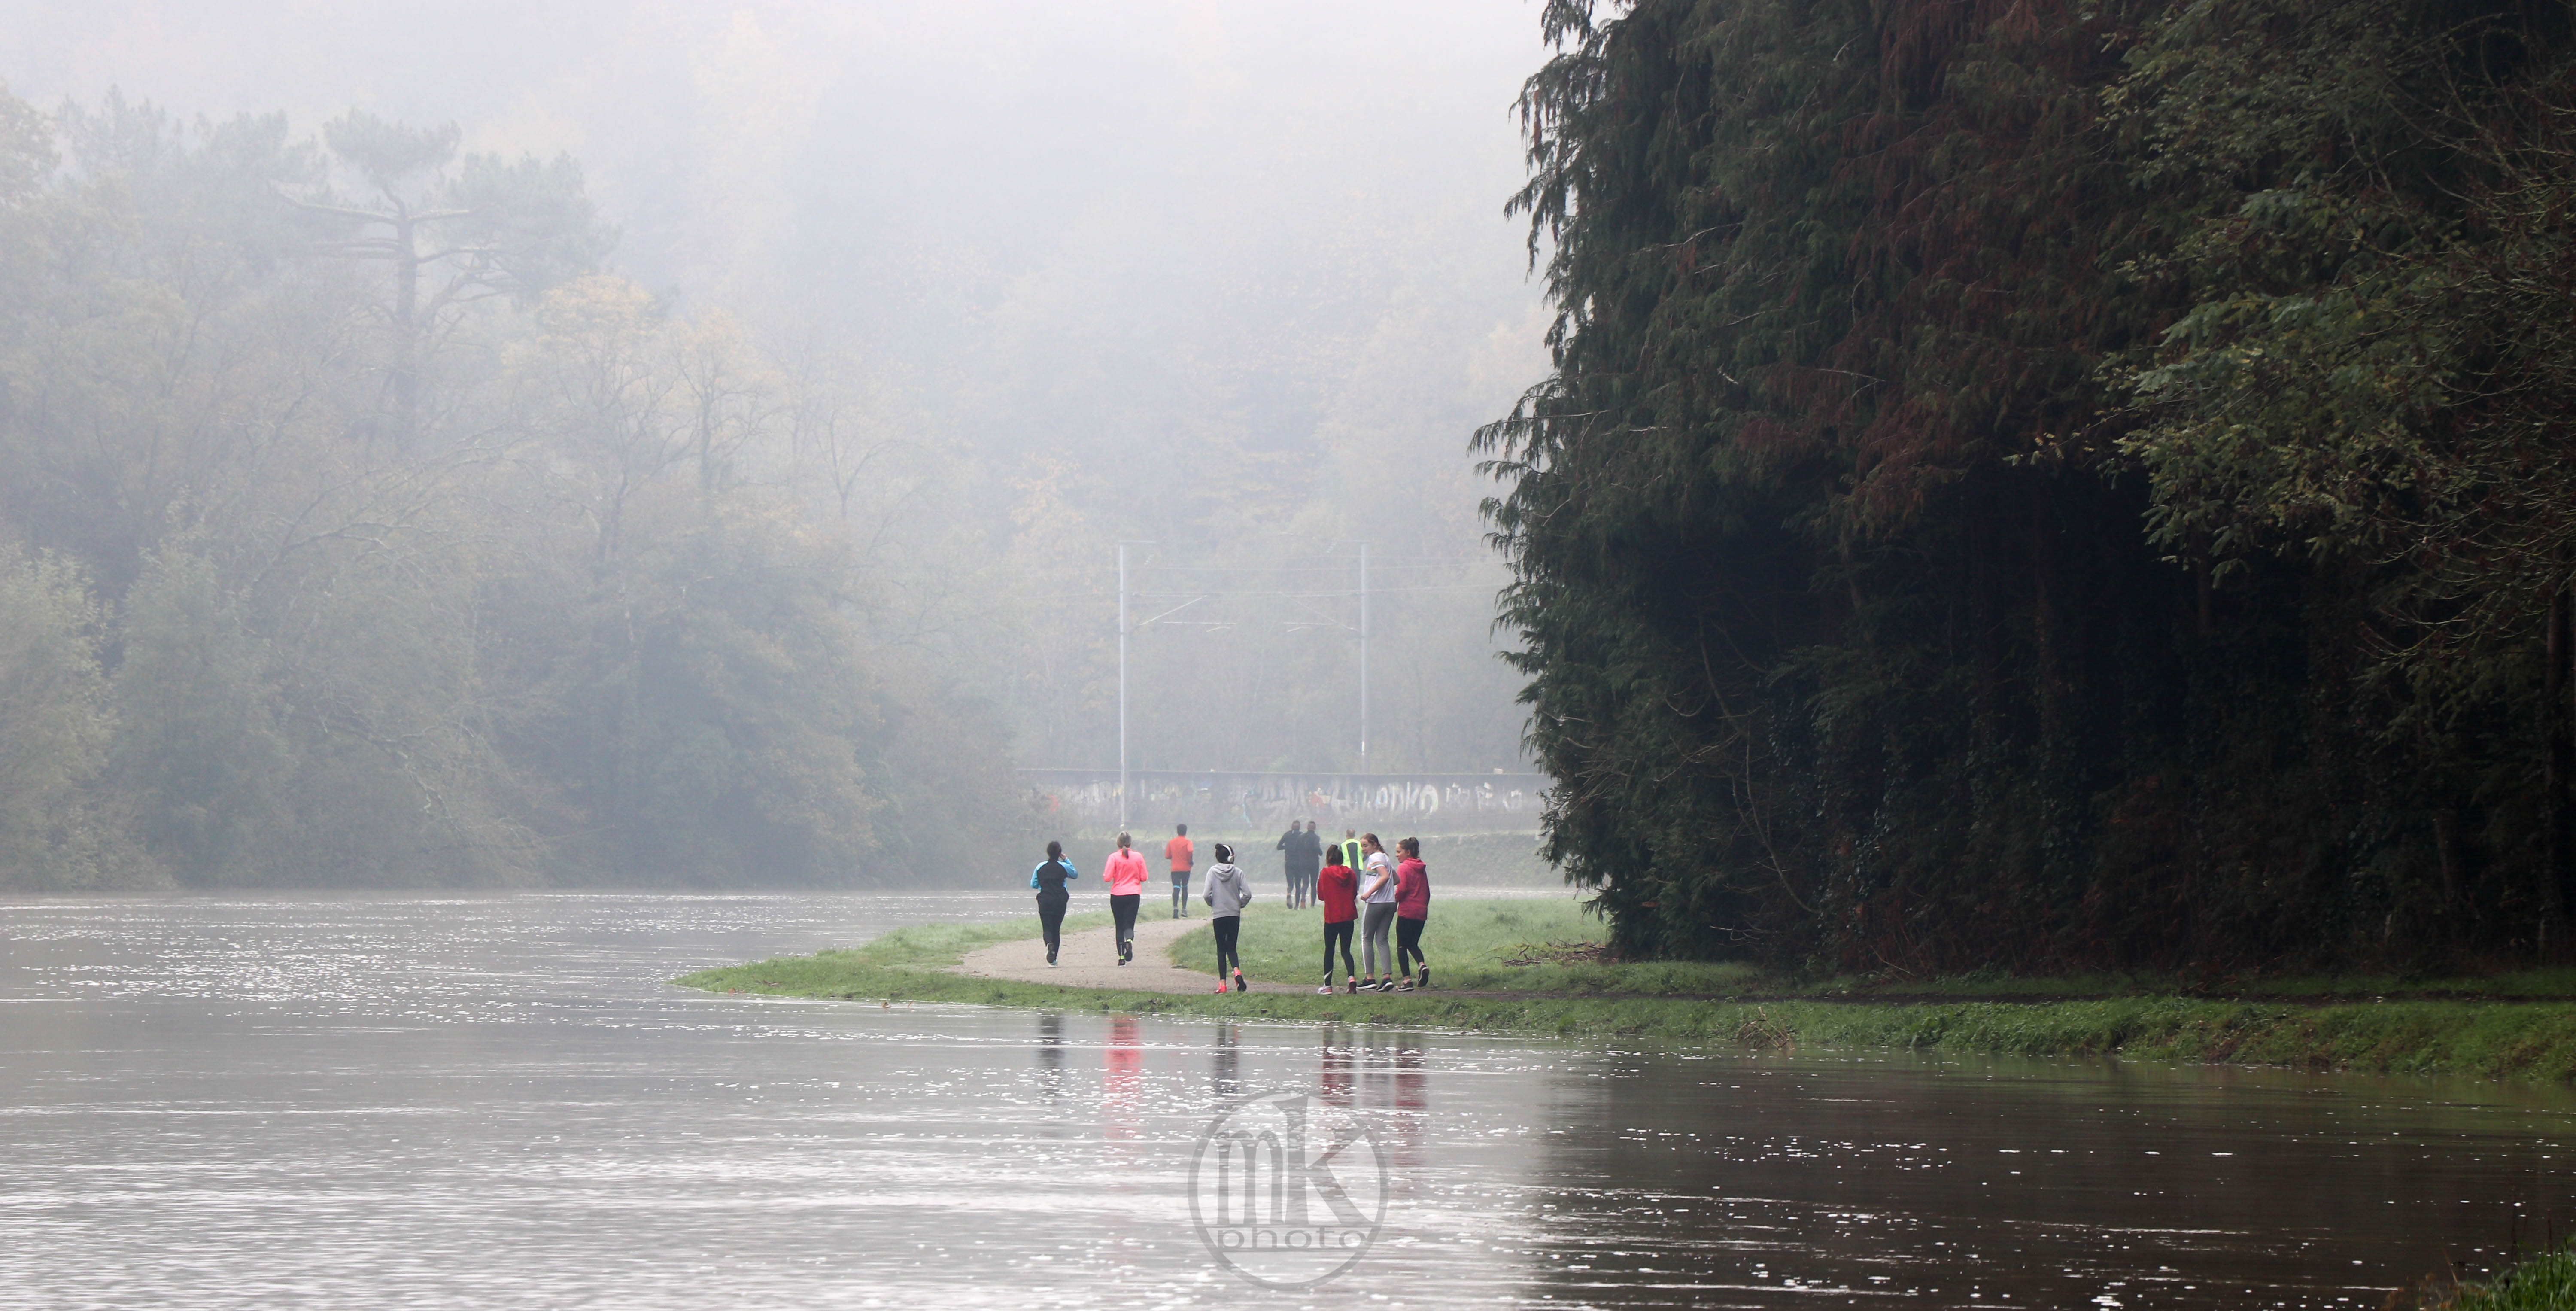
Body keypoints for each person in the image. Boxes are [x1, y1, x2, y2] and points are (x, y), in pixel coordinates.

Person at [1201, 842, 1252, 993]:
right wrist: (1239, 904)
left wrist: (1214, 904)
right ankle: (1237, 971)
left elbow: (1206, 894)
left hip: (1219, 915)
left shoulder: (1212, 872)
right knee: (1232, 947)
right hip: (1234, 914)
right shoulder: (1238, 872)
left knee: (1221, 949)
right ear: (1231, 858)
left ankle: (1223, 985)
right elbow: (1248, 894)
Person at [1356, 833, 1400, 991]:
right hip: (1390, 903)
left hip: (1376, 903)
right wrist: (1386, 890)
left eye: (1366, 845)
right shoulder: (1386, 858)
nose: (1364, 849)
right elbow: (1396, 879)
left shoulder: (1375, 858)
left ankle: (1370, 978)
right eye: (1362, 846)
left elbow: (1385, 876)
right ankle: (1387, 977)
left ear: (1375, 845)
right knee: (1382, 940)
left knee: (1367, 938)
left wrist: (1369, 893)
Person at [1315, 840, 1357, 994]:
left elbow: (1321, 896)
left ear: (1329, 859)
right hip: (1348, 916)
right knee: (1346, 950)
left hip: (1332, 917)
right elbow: (1354, 894)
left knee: (1330, 950)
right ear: (1342, 859)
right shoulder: (1351, 873)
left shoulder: (1325, 873)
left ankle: (1328, 986)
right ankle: (1352, 978)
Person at [1030, 840, 1078, 967]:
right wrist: (1067, 859)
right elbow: (1075, 874)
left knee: (1047, 929)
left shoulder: (1040, 867)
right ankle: (1054, 959)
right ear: (1059, 853)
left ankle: (1049, 945)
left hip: (1045, 901)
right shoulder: (1064, 866)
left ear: (1048, 852)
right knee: (1056, 929)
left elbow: (1033, 884)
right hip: (1060, 902)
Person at [1103, 833, 1148, 964]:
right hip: (1134, 895)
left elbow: (1107, 878)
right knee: (1129, 925)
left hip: (1117, 895)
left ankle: (1121, 958)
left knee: (1119, 926)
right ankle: (1129, 941)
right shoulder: (1138, 857)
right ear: (1130, 843)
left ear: (1118, 843)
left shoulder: (1113, 857)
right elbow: (1144, 877)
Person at [1392, 836, 1431, 990]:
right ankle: (1422, 965)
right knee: (1413, 944)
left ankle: (1407, 981)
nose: (1397, 855)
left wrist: (1393, 902)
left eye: (1399, 851)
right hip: (1421, 912)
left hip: (1407, 911)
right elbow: (1427, 892)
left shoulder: (1404, 867)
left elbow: (1402, 889)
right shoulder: (1421, 868)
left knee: (1401, 946)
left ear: (1408, 852)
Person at [1276, 819, 1321, 909]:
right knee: (1300, 886)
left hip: (1289, 862)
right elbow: (1302, 848)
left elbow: (1279, 847)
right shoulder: (1302, 836)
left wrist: (1287, 847)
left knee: (1291, 884)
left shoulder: (1288, 835)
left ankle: (1289, 893)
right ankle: (1297, 906)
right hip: (1301, 863)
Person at [1165, 824, 1195, 919]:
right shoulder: (1188, 842)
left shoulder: (1171, 842)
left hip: (1175, 869)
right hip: (1186, 869)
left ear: (1177, 831)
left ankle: (1175, 909)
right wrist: (1190, 860)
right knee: (1185, 888)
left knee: (1176, 888)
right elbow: (1190, 851)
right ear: (1186, 832)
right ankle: (1184, 909)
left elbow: (1167, 856)